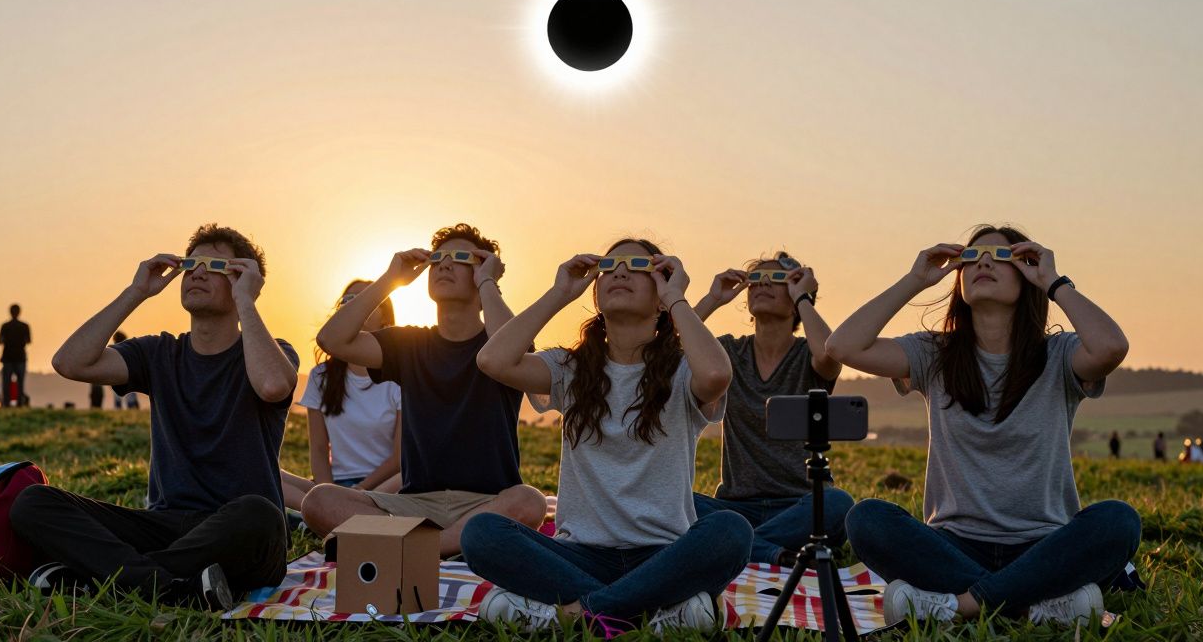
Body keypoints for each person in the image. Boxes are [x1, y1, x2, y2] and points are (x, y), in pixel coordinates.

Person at [827, 225, 1140, 627]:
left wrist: (1054, 282)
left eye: (1001, 256)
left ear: (1027, 275)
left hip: (1043, 544)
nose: (984, 262)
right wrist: (915, 280)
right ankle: (1032, 607)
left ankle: (959, 606)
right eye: (972, 257)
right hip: (954, 544)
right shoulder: (934, 353)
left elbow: (1112, 347)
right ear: (959, 280)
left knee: (1119, 521)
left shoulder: (1059, 355)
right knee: (866, 518)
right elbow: (843, 346)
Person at [465, 240, 752, 634]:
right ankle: (653, 610)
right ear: (596, 294)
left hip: (663, 554)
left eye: (637, 265)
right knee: (482, 533)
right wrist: (560, 292)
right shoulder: (568, 367)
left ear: (660, 292)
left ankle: (574, 615)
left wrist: (676, 298)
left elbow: (717, 375)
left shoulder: (684, 369)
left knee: (731, 531)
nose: (620, 271)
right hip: (579, 555)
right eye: (610, 266)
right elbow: (492, 360)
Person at [9, 224, 299, 610]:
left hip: (238, 533)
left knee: (259, 514)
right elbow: (69, 362)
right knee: (33, 502)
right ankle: (170, 586)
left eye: (215, 266)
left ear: (243, 279)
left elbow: (274, 386)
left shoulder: (272, 352)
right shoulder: (159, 352)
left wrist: (247, 301)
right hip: (165, 525)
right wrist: (137, 292)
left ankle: (106, 579)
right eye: (191, 264)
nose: (197, 273)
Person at [302, 224, 546, 557]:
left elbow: (515, 351)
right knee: (319, 500)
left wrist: (488, 283)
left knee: (529, 501)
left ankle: (413, 548)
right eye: (438, 258)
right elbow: (332, 339)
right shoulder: (409, 343)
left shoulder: (500, 346)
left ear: (482, 273)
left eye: (460, 258)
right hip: (413, 506)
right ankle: (444, 547)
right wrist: (391, 279)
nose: (445, 264)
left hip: (487, 504)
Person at [690, 251, 852, 567]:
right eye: (755, 279)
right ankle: (773, 553)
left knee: (837, 504)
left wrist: (803, 296)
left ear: (795, 300)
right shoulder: (728, 352)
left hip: (798, 505)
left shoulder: (809, 354)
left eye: (777, 279)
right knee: (675, 500)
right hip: (735, 507)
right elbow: (670, 349)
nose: (762, 284)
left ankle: (738, 546)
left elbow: (830, 355)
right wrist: (712, 299)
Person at [280, 281, 402, 512]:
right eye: (347, 301)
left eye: (366, 300)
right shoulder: (321, 376)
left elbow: (399, 458)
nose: (354, 306)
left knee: (408, 475)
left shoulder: (398, 377)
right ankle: (324, 512)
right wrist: (327, 493)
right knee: (270, 473)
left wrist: (360, 490)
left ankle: (324, 515)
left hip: (385, 487)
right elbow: (318, 449)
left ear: (385, 320)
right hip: (335, 484)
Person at [0, 304, 32, 408]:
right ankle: (19, 403)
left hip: (8, 356)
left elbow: (0, 341)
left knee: (6, 383)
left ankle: (6, 403)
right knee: (20, 382)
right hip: (20, 356)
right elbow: (28, 340)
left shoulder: (5, 326)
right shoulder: (24, 326)